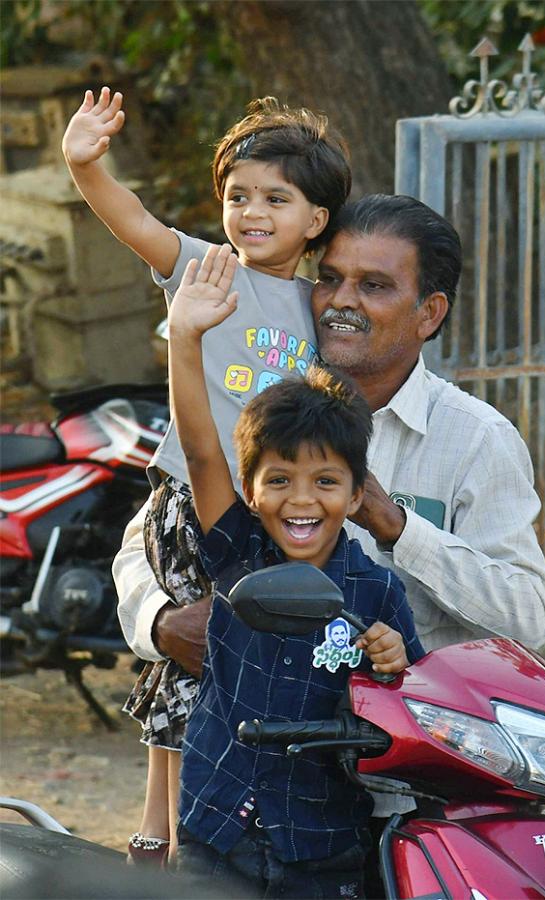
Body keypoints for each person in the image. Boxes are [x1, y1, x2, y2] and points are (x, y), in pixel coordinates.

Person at [62, 87, 352, 864]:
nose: (252, 213)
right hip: (192, 499)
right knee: (186, 653)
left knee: (231, 667)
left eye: (275, 199)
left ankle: (200, 824)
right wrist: (85, 164)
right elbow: (134, 223)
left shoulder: (322, 309)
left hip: (262, 513)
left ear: (316, 220)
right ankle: (161, 829)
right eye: (237, 196)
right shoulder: (207, 266)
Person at [115, 194, 545, 679]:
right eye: (329, 278)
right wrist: (162, 622)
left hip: (405, 733)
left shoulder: (475, 438)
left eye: (374, 285)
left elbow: (528, 616)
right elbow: (148, 538)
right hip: (262, 728)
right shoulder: (269, 402)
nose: (341, 300)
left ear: (429, 313)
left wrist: (397, 526)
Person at [164, 241, 424, 897]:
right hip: (214, 829)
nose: (302, 499)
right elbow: (199, 451)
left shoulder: (375, 588)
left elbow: (407, 716)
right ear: (250, 488)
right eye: (279, 479)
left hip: (323, 846)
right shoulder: (236, 550)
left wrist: (393, 664)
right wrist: (187, 338)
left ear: (356, 489)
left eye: (325, 481)